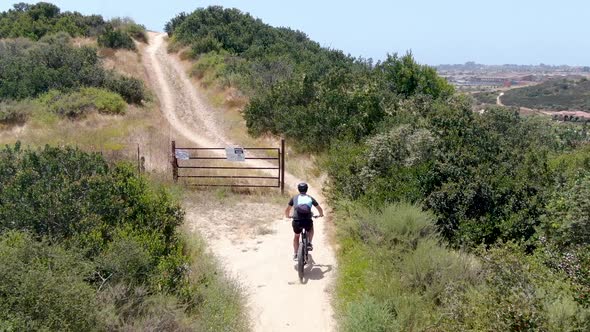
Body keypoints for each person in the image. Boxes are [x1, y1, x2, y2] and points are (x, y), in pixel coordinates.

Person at [284, 182, 324, 260]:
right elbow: (319, 208)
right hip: (307, 221)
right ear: (307, 189)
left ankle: (295, 254)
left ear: (298, 189)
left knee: (296, 236)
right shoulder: (310, 198)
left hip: (297, 220)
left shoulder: (294, 198)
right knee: (311, 228)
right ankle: (309, 243)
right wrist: (320, 215)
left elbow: (287, 210)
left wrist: (288, 216)